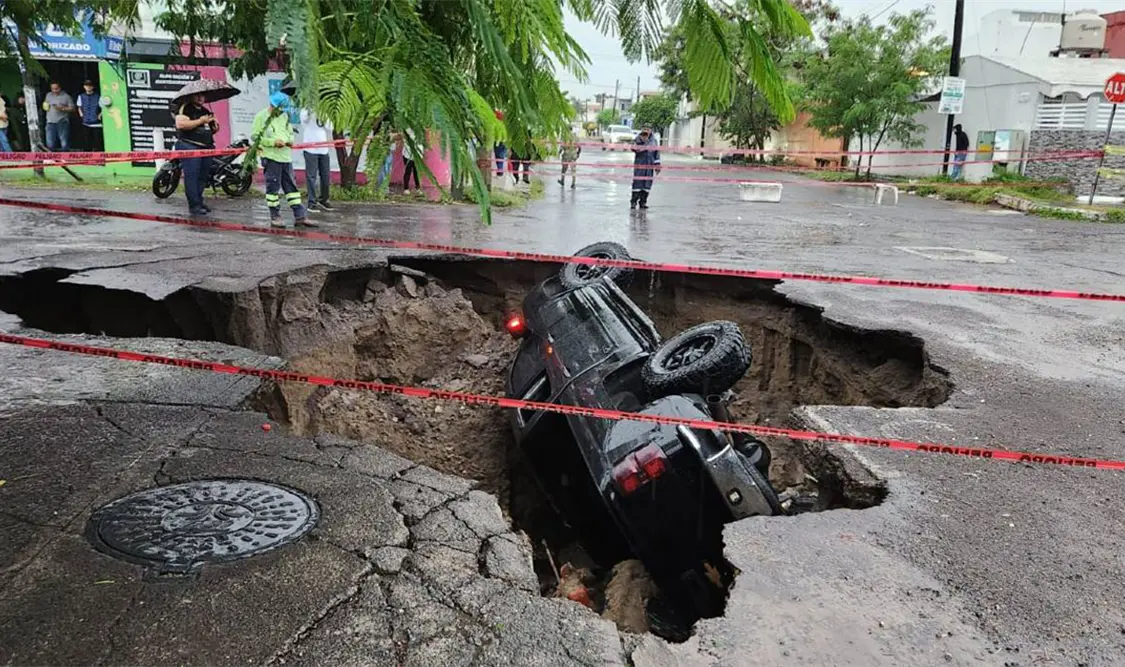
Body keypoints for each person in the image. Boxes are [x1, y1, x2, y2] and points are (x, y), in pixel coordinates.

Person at [253, 91, 310, 228]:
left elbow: (289, 133)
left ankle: (300, 216)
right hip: (271, 157)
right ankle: (275, 216)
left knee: (291, 187)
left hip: (285, 157)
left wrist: (289, 141)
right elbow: (255, 137)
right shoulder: (261, 117)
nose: (280, 112)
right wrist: (273, 142)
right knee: (273, 188)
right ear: (272, 105)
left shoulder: (284, 116)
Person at [173, 92, 218, 216]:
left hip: (206, 147)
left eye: (202, 96)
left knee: (202, 177)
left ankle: (199, 201)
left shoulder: (205, 110)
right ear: (191, 96)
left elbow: (212, 130)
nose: (200, 98)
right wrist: (200, 121)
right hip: (190, 146)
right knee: (192, 177)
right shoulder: (185, 108)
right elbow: (181, 125)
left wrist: (214, 123)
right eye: (197, 96)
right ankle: (194, 206)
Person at [300, 108, 334, 211]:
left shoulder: (324, 111)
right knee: (311, 177)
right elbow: (304, 119)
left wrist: (323, 115)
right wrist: (311, 110)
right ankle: (312, 202)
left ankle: (324, 199)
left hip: (323, 149)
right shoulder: (305, 110)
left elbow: (330, 127)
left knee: (326, 175)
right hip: (310, 148)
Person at [630, 126, 660, 209]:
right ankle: (633, 202)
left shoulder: (654, 141)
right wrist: (643, 143)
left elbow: (656, 154)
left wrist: (657, 165)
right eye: (644, 129)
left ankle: (643, 202)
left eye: (648, 129)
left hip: (649, 166)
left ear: (651, 130)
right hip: (640, 165)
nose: (646, 131)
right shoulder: (638, 139)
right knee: (637, 184)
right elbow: (633, 148)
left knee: (647, 184)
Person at [43, 82, 73, 151]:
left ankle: (65, 158)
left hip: (62, 121)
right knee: (50, 142)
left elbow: (72, 108)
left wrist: (62, 108)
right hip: (50, 121)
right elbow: (45, 104)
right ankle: (52, 158)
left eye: (56, 89)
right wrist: (45, 106)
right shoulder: (48, 95)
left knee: (64, 142)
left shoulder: (66, 96)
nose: (54, 90)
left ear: (60, 88)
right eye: (52, 89)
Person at [75, 80, 102, 152]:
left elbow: (103, 107)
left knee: (97, 142)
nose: (88, 87)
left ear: (92, 87)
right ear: (84, 87)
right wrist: (81, 114)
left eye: (90, 85)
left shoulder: (98, 96)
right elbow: (79, 107)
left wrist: (100, 114)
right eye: (87, 85)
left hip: (96, 122)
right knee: (86, 141)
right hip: (86, 122)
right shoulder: (81, 96)